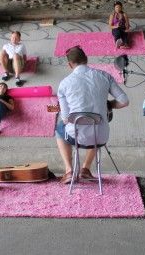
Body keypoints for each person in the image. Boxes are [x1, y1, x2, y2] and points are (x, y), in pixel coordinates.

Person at [55, 46, 129, 184]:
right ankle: (85, 169)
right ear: (86, 59)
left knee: (60, 128)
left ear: (69, 64)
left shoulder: (64, 84)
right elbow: (124, 101)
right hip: (101, 136)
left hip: (75, 136)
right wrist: (109, 105)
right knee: (96, 126)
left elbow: (66, 119)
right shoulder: (105, 76)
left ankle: (69, 171)